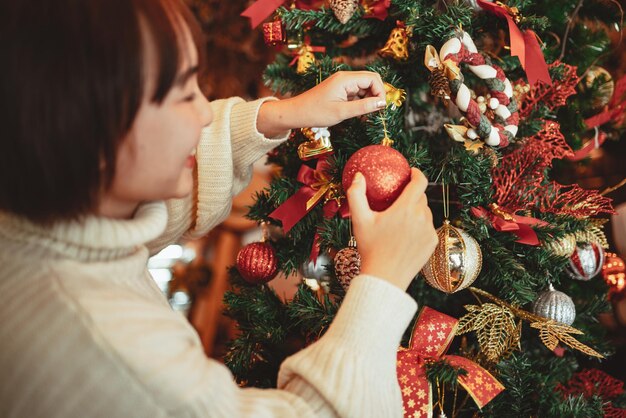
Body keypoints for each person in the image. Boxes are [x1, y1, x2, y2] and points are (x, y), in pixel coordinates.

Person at [0, 0, 437, 417]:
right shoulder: (95, 342)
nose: (205, 114)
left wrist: (282, 114)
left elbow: (144, 209)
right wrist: (383, 280)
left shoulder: (45, 223)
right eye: (181, 93)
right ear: (88, 130)